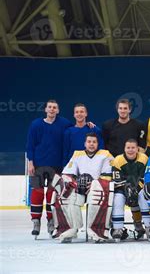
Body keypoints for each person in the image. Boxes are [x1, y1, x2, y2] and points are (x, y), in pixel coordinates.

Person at [51, 132, 114, 243]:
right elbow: (67, 174)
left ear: (98, 144)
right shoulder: (77, 154)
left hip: (97, 187)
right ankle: (71, 228)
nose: (91, 144)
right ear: (85, 143)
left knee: (97, 193)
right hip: (79, 187)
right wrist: (74, 183)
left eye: (94, 142)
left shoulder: (105, 154)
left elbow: (108, 175)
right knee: (65, 194)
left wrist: (95, 183)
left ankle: (96, 229)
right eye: (89, 142)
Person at [26, 99, 72, 238]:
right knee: (37, 192)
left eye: (54, 107)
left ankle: (51, 222)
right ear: (45, 109)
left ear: (58, 110)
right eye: (50, 107)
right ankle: (36, 221)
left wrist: (89, 126)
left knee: (52, 194)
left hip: (56, 165)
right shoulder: (36, 124)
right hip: (38, 165)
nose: (52, 109)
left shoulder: (64, 124)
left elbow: (77, 129)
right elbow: (30, 144)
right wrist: (30, 162)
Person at [111, 139, 149, 241]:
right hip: (122, 189)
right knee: (118, 200)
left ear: (137, 149)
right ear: (124, 149)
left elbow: (145, 178)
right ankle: (117, 228)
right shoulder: (118, 160)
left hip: (139, 187)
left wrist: (134, 190)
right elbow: (116, 180)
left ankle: (149, 227)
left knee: (143, 197)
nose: (130, 150)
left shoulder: (144, 158)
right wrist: (128, 189)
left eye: (133, 148)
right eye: (128, 148)